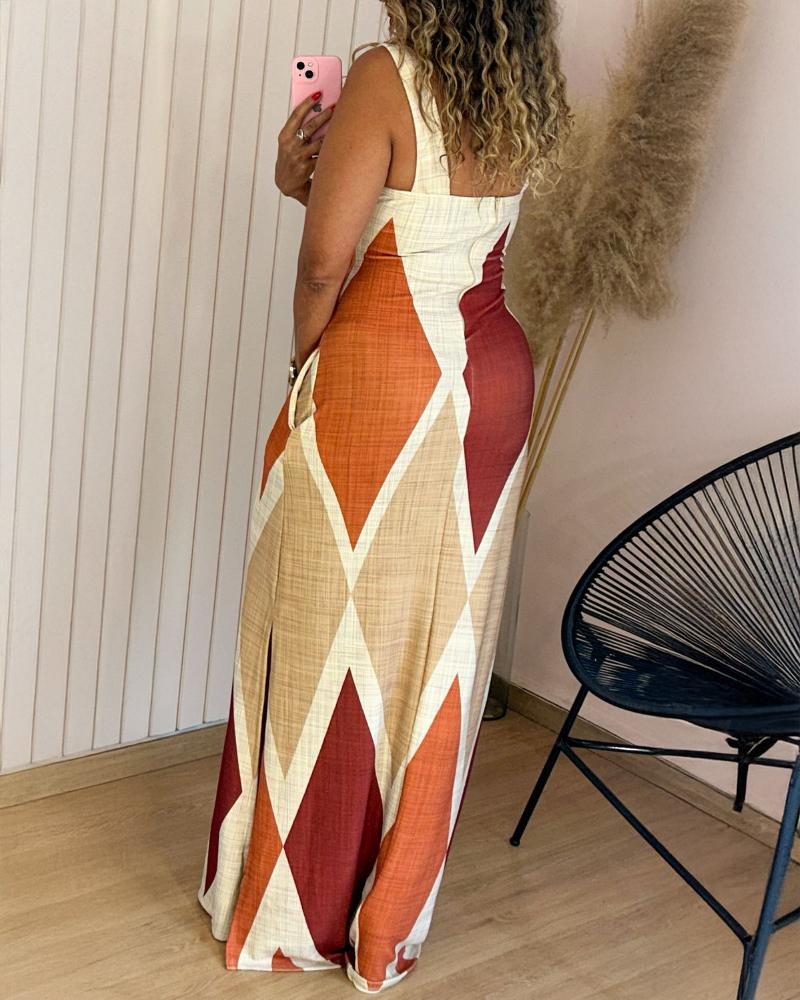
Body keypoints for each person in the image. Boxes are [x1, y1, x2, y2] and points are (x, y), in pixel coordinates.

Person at [197, 1, 572, 992]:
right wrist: (306, 183)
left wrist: (303, 368)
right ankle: (389, 909)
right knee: (434, 651)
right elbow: (426, 229)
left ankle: (299, 907)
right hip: (491, 379)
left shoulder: (385, 74)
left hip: (386, 379)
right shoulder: (519, 82)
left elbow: (329, 263)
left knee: (325, 636)